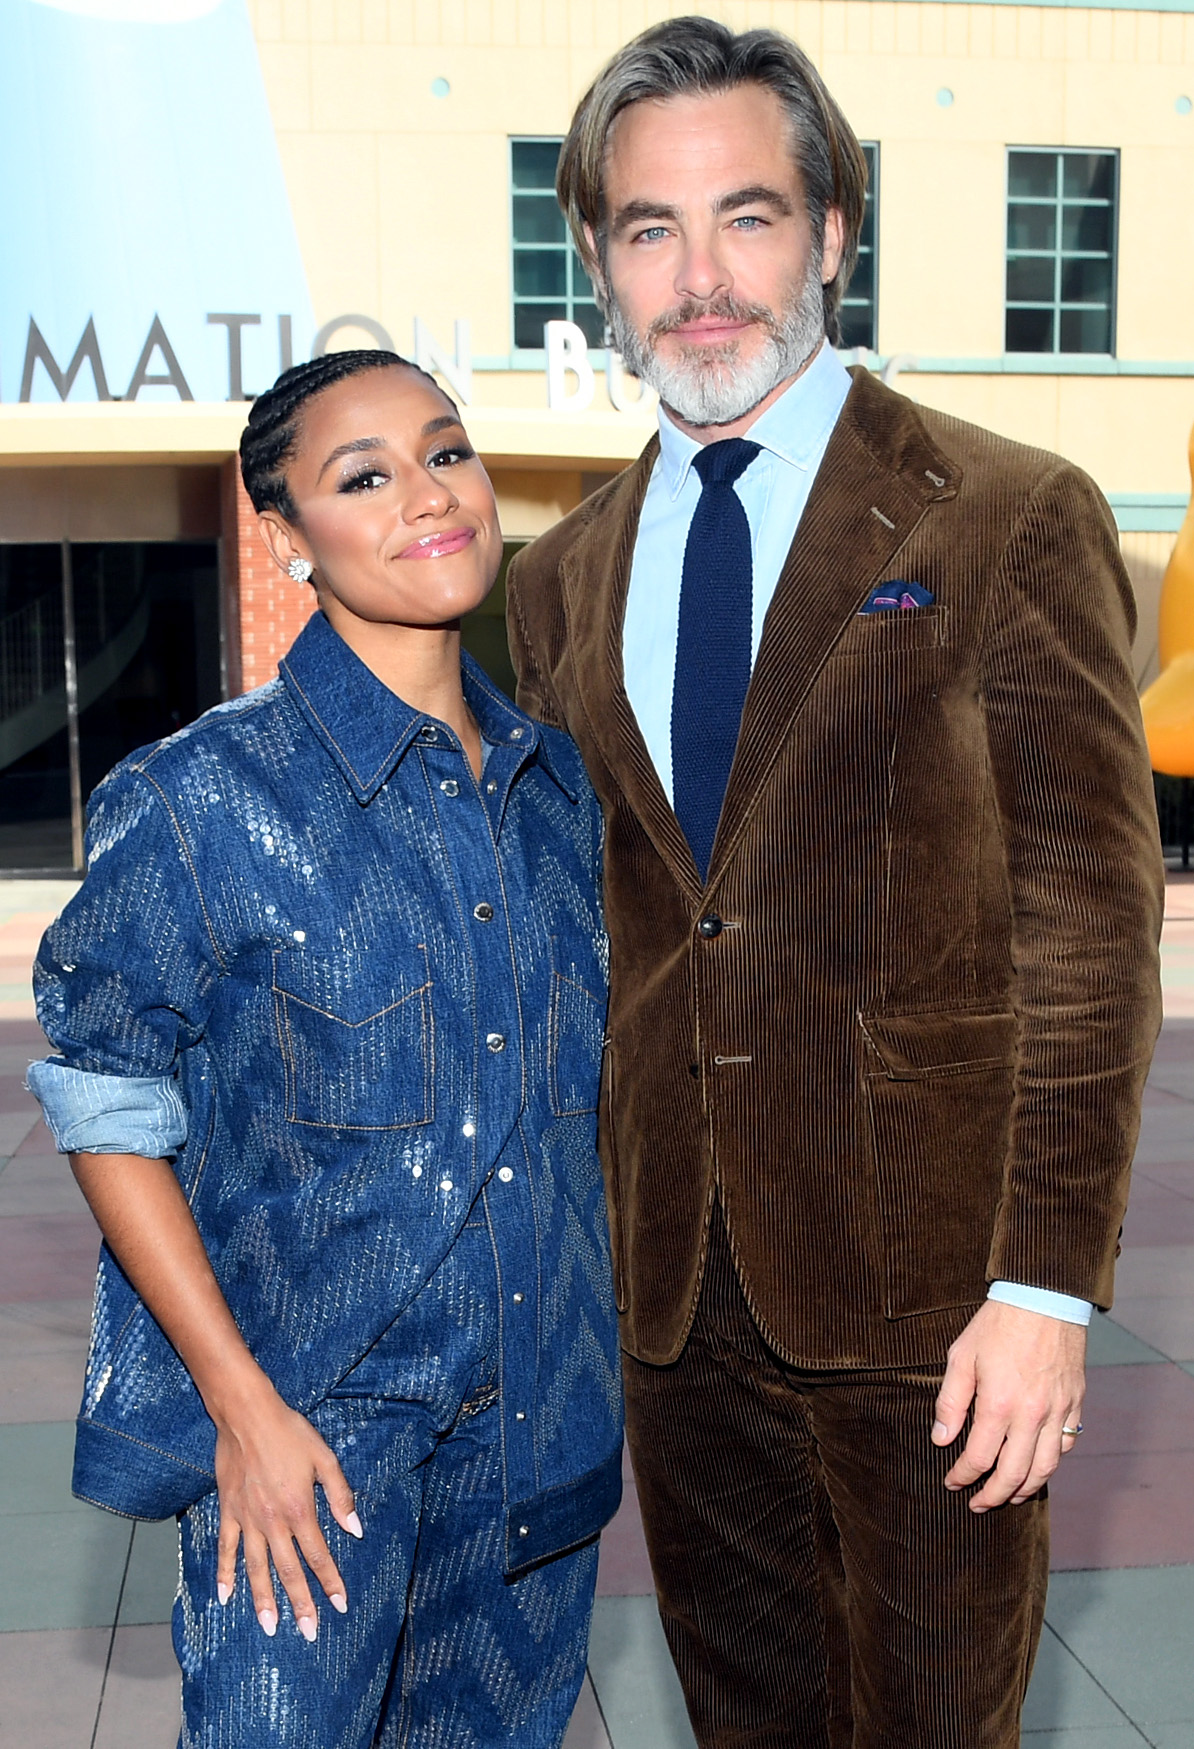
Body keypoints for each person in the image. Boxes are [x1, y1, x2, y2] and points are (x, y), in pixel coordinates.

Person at [505, 18, 1164, 1747]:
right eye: (649, 229)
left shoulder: (1003, 516)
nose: (700, 277)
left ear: (833, 235)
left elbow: (1088, 933)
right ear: (598, 259)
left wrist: (1041, 1292)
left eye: (747, 216)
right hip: (670, 1298)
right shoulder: (558, 577)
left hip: (935, 1299)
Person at [28, 349, 622, 1749]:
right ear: (288, 540)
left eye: (446, 451)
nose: (428, 495)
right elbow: (108, 1101)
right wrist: (239, 1410)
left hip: (539, 1418)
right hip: (310, 1442)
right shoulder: (197, 796)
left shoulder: (558, 792)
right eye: (364, 476)